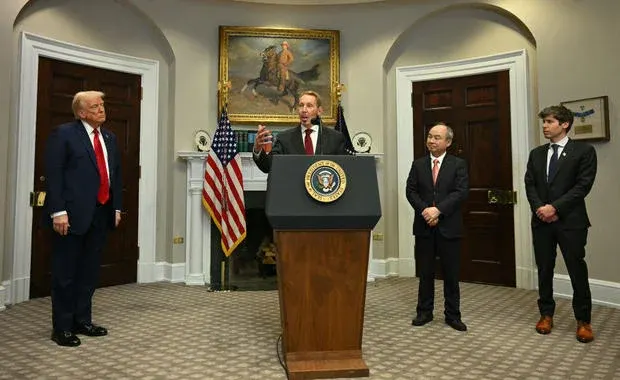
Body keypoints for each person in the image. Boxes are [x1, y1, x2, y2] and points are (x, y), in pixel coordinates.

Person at [44, 91, 123, 347]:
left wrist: (117, 208)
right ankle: (62, 328)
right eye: (95, 106)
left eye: (102, 104)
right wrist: (58, 211)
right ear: (81, 113)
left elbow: (116, 177)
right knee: (65, 274)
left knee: (89, 272)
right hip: (70, 215)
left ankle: (83, 321)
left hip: (101, 214)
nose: (101, 109)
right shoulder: (64, 134)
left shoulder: (109, 137)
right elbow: (54, 175)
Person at [524, 105, 597, 343]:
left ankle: (583, 321)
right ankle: (546, 314)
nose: (544, 126)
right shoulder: (536, 153)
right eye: (544, 122)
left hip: (571, 222)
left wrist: (555, 207)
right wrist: (540, 209)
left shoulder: (584, 151)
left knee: (577, 270)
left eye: (549, 122)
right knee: (544, 270)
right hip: (542, 221)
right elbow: (530, 185)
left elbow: (582, 186)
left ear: (564, 124)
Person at [406, 122, 469, 332]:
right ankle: (424, 312)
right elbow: (411, 191)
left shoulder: (458, 164)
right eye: (430, 136)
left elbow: (460, 193)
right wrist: (426, 211)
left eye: (437, 137)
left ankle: (453, 315)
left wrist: (438, 211)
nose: (431, 141)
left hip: (449, 226)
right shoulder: (418, 164)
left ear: (448, 142)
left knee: (451, 273)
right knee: (425, 272)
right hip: (424, 226)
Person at [252, 90, 347, 173]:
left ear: (319, 111)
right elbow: (268, 167)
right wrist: (257, 149)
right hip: (294, 191)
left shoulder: (335, 138)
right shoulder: (284, 138)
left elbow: (344, 169)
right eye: (301, 105)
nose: (304, 110)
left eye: (309, 106)